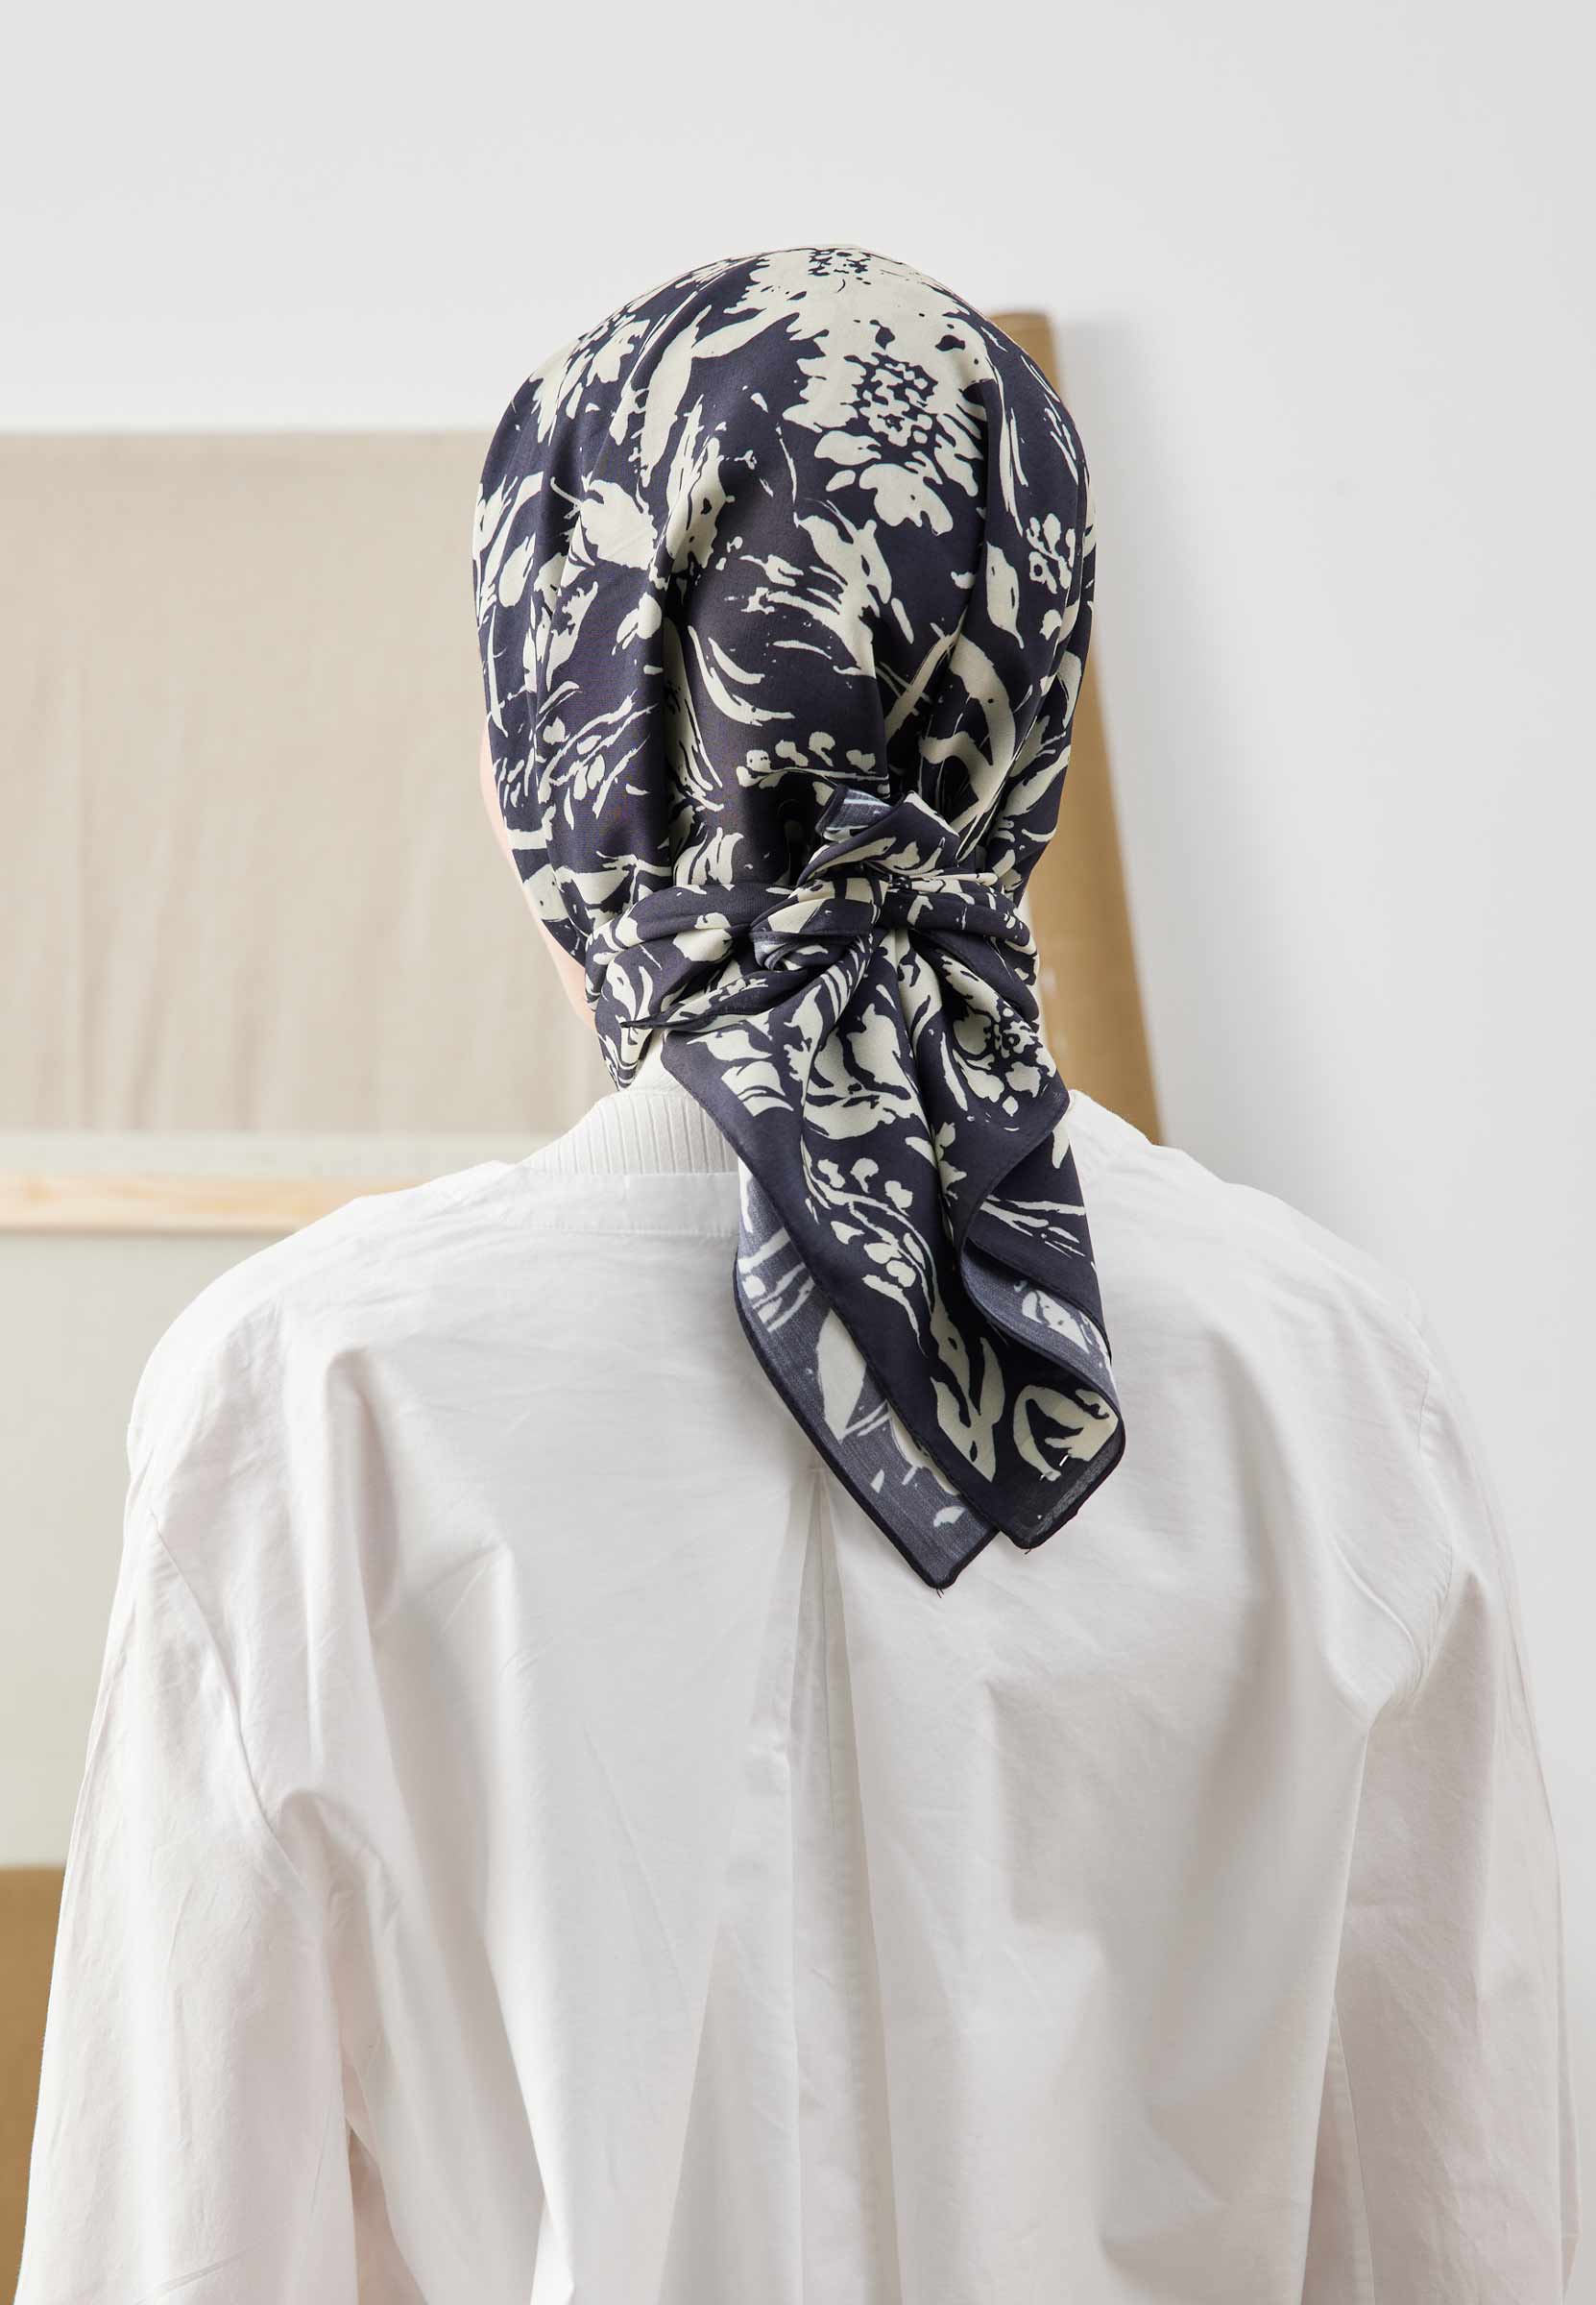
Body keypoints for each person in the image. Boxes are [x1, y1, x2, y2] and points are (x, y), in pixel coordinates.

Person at [15, 246, 1578, 2300]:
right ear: (1027, 691)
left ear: (553, 729)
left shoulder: (316, 1398)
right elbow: (1467, 2222)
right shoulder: (1330, 1374)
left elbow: (181, 2243)